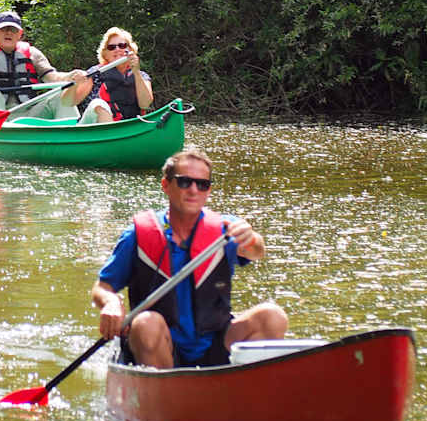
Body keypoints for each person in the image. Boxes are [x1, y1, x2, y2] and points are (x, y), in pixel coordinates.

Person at [90, 147, 288, 368]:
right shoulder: (137, 235)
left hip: (215, 342)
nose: (194, 190)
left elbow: (257, 251)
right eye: (185, 182)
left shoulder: (226, 229)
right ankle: (164, 394)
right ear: (166, 185)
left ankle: (243, 385)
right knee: (146, 323)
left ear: (208, 191)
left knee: (273, 316)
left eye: (202, 184)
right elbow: (102, 287)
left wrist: (251, 238)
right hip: (159, 346)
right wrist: (111, 303)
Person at [0, 11, 88, 119]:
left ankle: (70, 133)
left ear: (20, 34)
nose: (8, 33)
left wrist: (70, 76)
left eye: (13, 30)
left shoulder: (33, 54)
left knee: (59, 96)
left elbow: (52, 78)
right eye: (4, 29)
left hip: (28, 113)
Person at [74, 27, 153, 123]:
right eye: (111, 47)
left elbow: (145, 104)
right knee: (98, 104)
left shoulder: (141, 75)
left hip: (127, 127)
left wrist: (136, 72)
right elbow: (72, 101)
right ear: (105, 54)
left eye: (122, 45)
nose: (117, 49)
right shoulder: (95, 73)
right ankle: (111, 134)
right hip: (92, 128)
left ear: (130, 49)